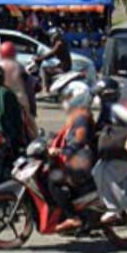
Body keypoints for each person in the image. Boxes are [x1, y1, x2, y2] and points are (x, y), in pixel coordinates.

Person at [91, 78, 127, 224]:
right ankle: (117, 205)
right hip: (120, 154)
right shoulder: (107, 110)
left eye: (100, 95)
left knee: (107, 173)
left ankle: (115, 209)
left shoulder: (116, 108)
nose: (98, 99)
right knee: (97, 171)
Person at [48, 82, 97, 233]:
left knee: (53, 181)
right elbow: (68, 136)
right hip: (79, 160)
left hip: (82, 162)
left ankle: (72, 217)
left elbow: (79, 141)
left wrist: (61, 151)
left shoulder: (81, 117)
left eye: (70, 97)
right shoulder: (79, 114)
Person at [0, 41, 38, 142]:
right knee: (30, 122)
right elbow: (29, 83)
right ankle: (36, 139)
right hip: (20, 99)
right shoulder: (18, 66)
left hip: (2, 99)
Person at [35, 27, 72, 94]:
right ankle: (49, 87)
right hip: (63, 65)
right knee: (49, 68)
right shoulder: (60, 42)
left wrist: (39, 59)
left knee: (44, 69)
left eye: (51, 35)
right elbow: (52, 53)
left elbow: (52, 53)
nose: (50, 37)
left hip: (63, 68)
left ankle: (45, 89)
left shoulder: (59, 43)